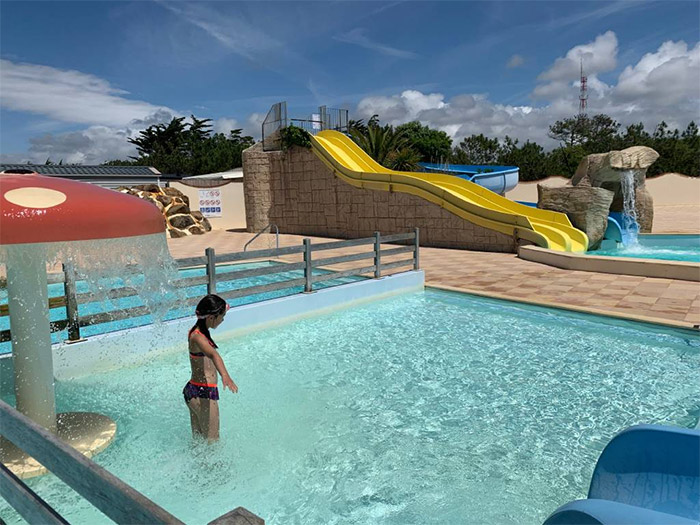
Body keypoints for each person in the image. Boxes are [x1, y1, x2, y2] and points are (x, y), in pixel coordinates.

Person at [183, 294, 238, 442]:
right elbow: (213, 355)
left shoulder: (197, 331)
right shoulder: (198, 337)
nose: (223, 320)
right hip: (203, 393)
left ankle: (196, 464)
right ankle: (213, 466)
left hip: (194, 390)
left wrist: (222, 307)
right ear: (211, 317)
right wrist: (225, 376)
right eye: (222, 316)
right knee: (212, 442)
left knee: (199, 441)